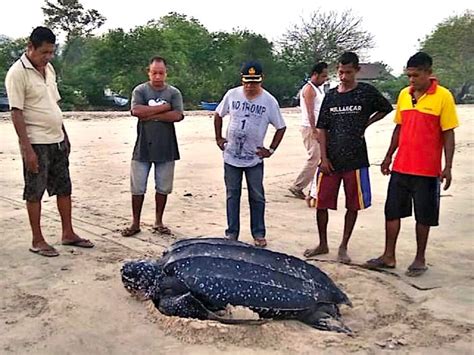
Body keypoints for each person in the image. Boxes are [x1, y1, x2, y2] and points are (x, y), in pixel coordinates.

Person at [365, 52, 459, 277]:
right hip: (401, 166)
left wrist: (448, 166)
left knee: (423, 216)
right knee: (392, 212)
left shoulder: (443, 96)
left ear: (429, 73)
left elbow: (448, 134)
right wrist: (388, 156)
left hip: (427, 170)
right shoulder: (405, 95)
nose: (412, 80)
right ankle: (389, 256)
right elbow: (399, 128)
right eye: (409, 76)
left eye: (416, 75)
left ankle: (420, 258)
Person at [5, 26, 94, 257]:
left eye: (51, 52)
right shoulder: (17, 73)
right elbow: (16, 113)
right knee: (34, 191)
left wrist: (64, 135)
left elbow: (54, 105)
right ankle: (37, 239)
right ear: (30, 47)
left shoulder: (49, 69)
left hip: (56, 140)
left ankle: (68, 233)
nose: (48, 57)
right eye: (44, 52)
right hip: (36, 142)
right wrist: (27, 150)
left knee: (64, 188)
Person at [303, 51, 393, 263]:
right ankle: (322, 243)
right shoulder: (331, 96)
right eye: (341, 72)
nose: (344, 77)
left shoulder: (366, 92)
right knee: (321, 203)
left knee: (353, 205)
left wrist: (367, 122)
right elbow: (322, 128)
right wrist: (323, 158)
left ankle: (343, 246)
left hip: (356, 158)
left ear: (357, 71)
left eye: (348, 72)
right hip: (331, 158)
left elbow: (386, 108)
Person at [214, 60, 286, 247]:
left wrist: (270, 149)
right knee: (232, 195)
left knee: (257, 196)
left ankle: (259, 233)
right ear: (242, 79)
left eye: (254, 82)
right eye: (247, 82)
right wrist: (218, 138)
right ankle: (232, 233)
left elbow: (281, 127)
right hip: (231, 156)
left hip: (254, 158)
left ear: (261, 80)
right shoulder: (232, 95)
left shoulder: (269, 101)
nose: (250, 86)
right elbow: (218, 114)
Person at [121, 56, 184, 237]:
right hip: (142, 146)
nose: (157, 77)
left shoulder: (173, 93)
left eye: (161, 73)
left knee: (163, 187)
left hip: (166, 146)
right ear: (148, 72)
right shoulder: (140, 90)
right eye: (154, 73)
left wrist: (150, 115)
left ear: (166, 73)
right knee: (137, 187)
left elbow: (178, 116)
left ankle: (158, 221)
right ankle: (135, 223)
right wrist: (163, 108)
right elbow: (136, 111)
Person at [289, 62, 329, 200]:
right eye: (323, 76)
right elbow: (310, 112)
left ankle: (314, 187)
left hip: (319, 126)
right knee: (315, 157)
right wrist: (314, 130)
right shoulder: (309, 89)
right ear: (315, 75)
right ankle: (298, 186)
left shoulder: (319, 89)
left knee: (319, 158)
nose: (325, 79)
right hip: (310, 126)